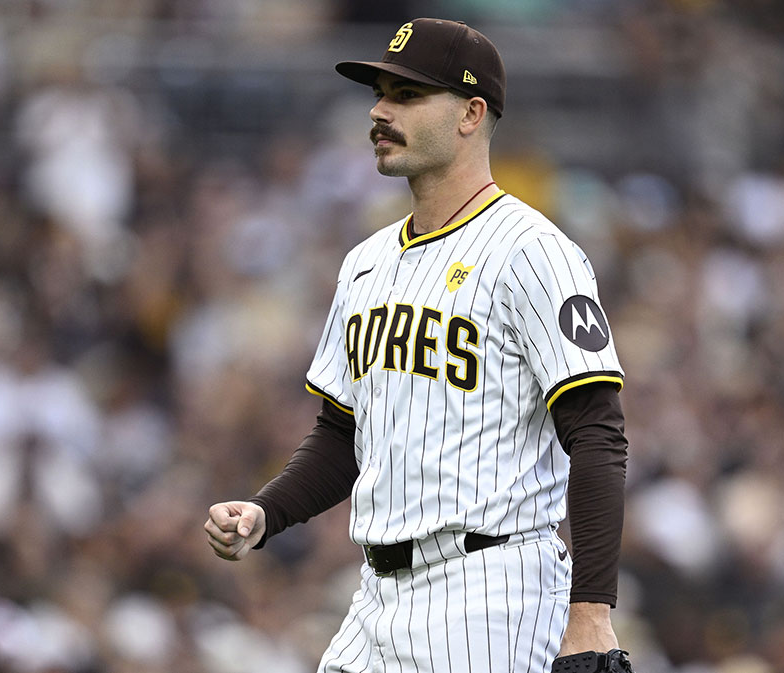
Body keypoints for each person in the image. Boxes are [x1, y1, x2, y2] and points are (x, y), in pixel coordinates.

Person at [205, 18, 630, 673]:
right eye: (380, 93)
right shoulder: (365, 263)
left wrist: (592, 611)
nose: (378, 110)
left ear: (471, 113)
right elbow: (342, 435)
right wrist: (267, 512)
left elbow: (597, 430)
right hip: (377, 594)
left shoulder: (534, 252)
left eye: (406, 96)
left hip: (492, 588)